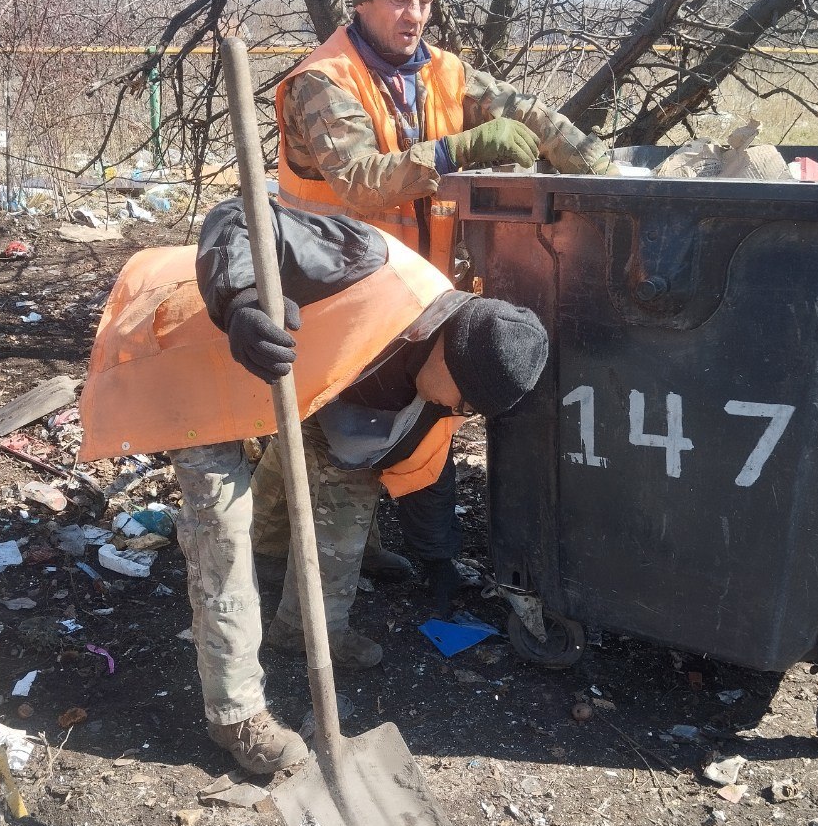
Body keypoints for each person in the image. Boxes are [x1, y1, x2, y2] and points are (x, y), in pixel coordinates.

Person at [77, 199, 549, 774]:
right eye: (467, 400)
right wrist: (244, 302)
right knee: (222, 532)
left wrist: (438, 559)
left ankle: (303, 629)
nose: (462, 412)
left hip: (287, 388)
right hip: (195, 342)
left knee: (345, 490)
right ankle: (236, 715)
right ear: (450, 349)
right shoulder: (370, 264)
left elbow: (409, 467)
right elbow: (239, 217)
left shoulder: (438, 379)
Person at [253, 0, 605, 611]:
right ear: (362, 3)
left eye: (421, 0)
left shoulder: (442, 73)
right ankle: (388, 561)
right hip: (333, 298)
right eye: (397, 0)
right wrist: (457, 150)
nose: (412, 14)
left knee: (335, 428)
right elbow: (361, 177)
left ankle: (287, 546)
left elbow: (527, 113)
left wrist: (599, 164)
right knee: (336, 429)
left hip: (410, 296)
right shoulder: (321, 83)